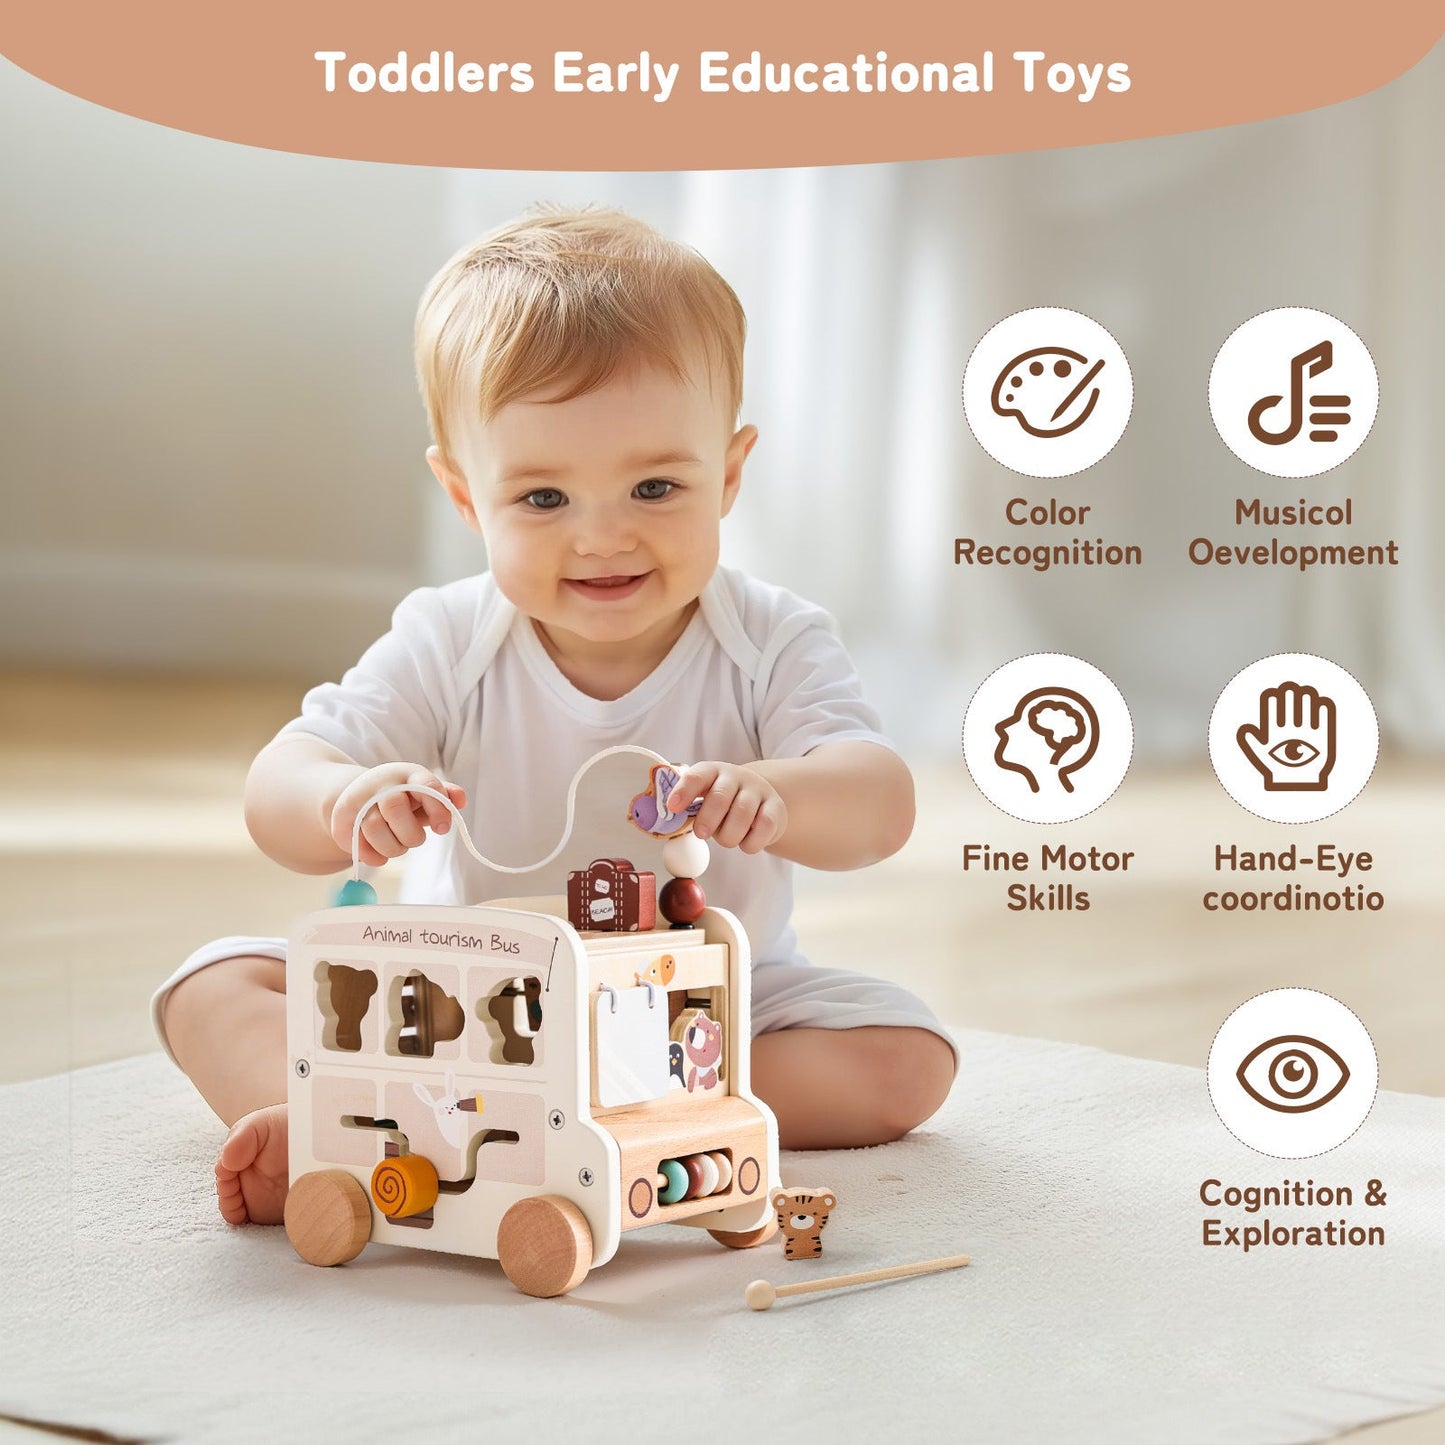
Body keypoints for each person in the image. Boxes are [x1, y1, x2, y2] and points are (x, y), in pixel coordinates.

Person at [152, 207, 957, 1227]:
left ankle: (579, 1119)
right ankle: (319, 1116)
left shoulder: (772, 638)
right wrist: (342, 796)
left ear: (732, 473)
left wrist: (776, 795)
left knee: (905, 1062)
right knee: (208, 984)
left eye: (656, 485)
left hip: (693, 1015)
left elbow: (877, 803)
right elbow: (282, 784)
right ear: (462, 493)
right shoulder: (449, 637)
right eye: (542, 499)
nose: (603, 535)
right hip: (452, 1014)